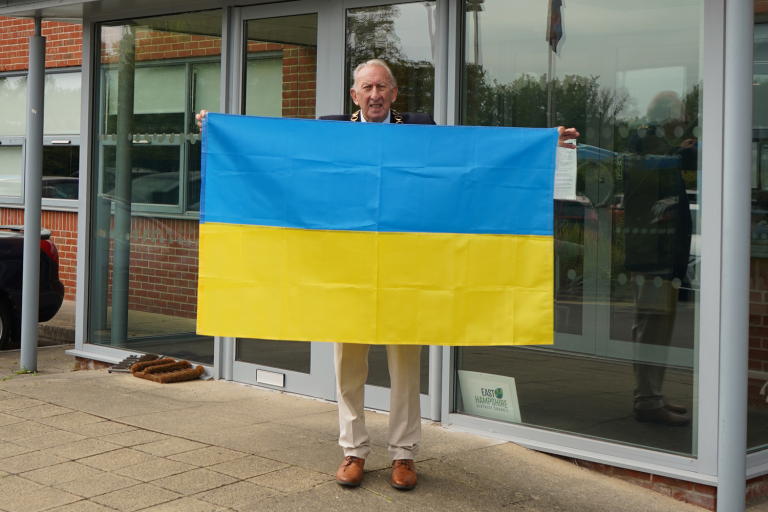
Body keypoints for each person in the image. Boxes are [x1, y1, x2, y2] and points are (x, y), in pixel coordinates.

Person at [196, 58, 578, 490]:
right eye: (366, 87)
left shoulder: (419, 127)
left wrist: (548, 146)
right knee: (348, 368)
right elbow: (278, 154)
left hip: (405, 270)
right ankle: (353, 450)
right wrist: (217, 129)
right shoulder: (329, 130)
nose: (374, 94)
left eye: (382, 87)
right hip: (343, 270)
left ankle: (404, 455)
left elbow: (475, 160)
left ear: (394, 94)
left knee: (405, 368)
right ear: (353, 96)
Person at [623, 90, 696, 426]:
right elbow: (654, 169)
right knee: (652, 325)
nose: (684, 121)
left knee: (657, 324)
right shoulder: (647, 140)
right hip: (653, 250)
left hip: (662, 250)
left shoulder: (655, 142)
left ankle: (654, 395)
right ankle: (649, 401)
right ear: (668, 115)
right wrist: (678, 154)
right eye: (682, 114)